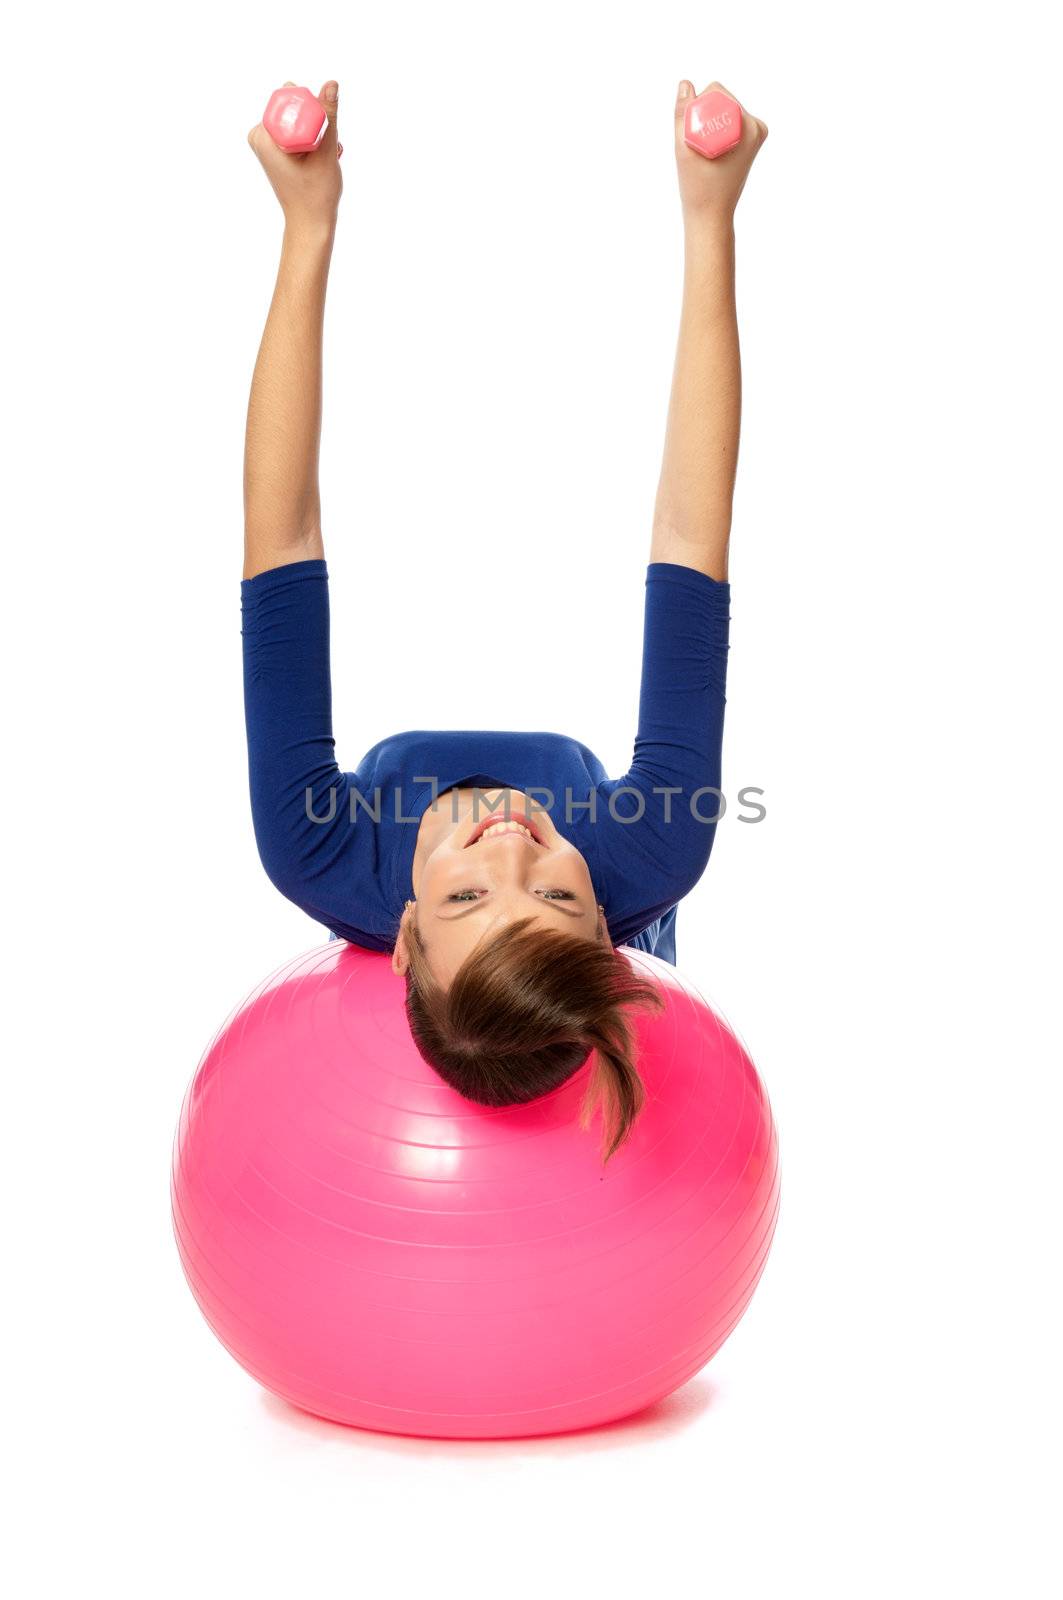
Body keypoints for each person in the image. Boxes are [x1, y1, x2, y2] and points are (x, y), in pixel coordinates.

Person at [242, 77, 768, 1160]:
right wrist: (711, 218)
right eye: (563, 891)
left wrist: (307, 225)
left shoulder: (319, 854)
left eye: (471, 891)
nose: (512, 839)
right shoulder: (650, 855)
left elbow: (282, 537)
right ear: (603, 917)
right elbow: (688, 539)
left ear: (398, 941)